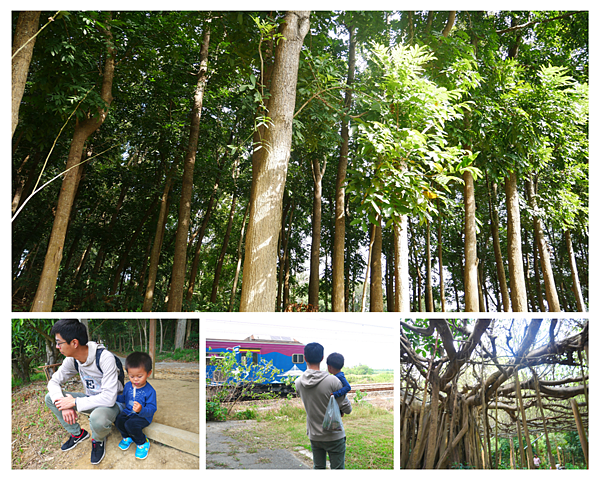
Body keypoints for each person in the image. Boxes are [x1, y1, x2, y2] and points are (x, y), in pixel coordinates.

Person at [44, 319, 122, 465]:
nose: (57, 346)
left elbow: (109, 398)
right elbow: (53, 382)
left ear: (74, 343)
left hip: (112, 404)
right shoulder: (72, 360)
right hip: (91, 399)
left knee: (97, 418)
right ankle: (78, 434)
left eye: (59, 342)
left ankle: (98, 439)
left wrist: (74, 402)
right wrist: (64, 404)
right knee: (50, 397)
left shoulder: (105, 358)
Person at [295, 342, 352, 469]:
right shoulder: (333, 381)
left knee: (318, 468)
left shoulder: (298, 382)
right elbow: (347, 409)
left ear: (305, 358)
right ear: (322, 358)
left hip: (314, 435)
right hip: (334, 435)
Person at [115, 351, 157, 460]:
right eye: (131, 376)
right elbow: (124, 398)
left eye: (139, 376)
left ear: (148, 373)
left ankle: (142, 442)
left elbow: (152, 408)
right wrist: (114, 398)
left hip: (143, 416)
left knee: (130, 424)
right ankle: (127, 437)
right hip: (128, 412)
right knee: (119, 419)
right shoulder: (128, 385)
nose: (135, 380)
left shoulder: (150, 391)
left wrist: (141, 409)